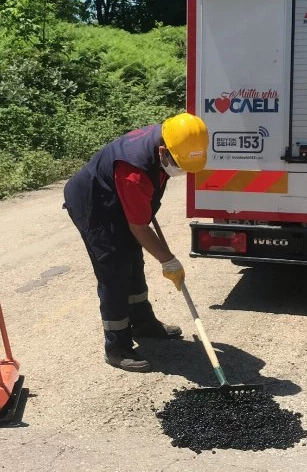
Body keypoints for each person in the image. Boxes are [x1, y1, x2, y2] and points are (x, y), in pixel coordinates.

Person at [63, 112, 208, 373]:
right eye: (179, 165)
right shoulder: (134, 171)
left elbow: (139, 218)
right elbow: (139, 226)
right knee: (115, 270)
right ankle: (116, 346)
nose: (181, 171)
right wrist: (168, 260)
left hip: (121, 203)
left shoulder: (174, 139)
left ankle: (143, 323)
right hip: (96, 206)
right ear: (163, 151)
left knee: (133, 259)